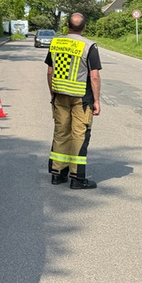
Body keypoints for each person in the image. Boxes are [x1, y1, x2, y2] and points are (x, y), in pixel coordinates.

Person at [45, 12, 102, 189]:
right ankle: (77, 178)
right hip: (81, 99)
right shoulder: (89, 46)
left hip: (60, 95)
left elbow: (50, 72)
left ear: (67, 26)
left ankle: (58, 174)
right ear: (84, 27)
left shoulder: (56, 43)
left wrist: (52, 93)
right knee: (79, 135)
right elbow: (94, 76)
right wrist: (97, 101)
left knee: (61, 132)